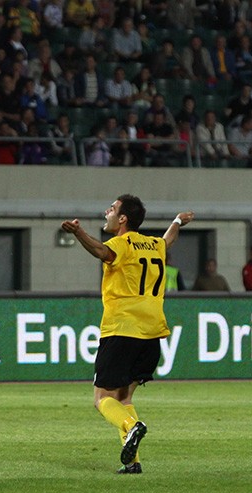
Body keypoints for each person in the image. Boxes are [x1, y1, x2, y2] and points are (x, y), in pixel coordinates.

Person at [60, 195, 194, 474]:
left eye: (112, 209)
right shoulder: (154, 245)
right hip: (152, 332)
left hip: (122, 329)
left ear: (122, 218)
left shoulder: (121, 244)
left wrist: (79, 232)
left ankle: (132, 426)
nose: (106, 211)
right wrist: (178, 221)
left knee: (101, 398)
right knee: (124, 398)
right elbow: (168, 240)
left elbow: (101, 252)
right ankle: (132, 463)